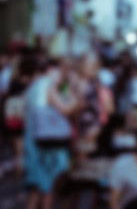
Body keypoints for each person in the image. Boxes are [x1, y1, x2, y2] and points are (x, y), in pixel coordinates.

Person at [25, 58, 78, 209]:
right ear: (51, 70)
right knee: (48, 187)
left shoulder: (36, 85)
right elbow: (65, 109)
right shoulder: (47, 85)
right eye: (62, 72)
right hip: (48, 145)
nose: (63, 76)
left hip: (36, 141)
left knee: (38, 188)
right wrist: (74, 96)